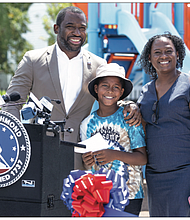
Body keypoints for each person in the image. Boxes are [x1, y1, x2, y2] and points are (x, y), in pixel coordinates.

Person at [2, 6, 140, 170]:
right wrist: (18, 142)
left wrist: (130, 106)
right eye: (70, 27)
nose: (77, 33)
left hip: (79, 157)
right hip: (38, 153)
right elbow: (11, 104)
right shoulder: (33, 60)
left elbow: (111, 96)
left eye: (82, 28)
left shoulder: (98, 65)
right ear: (56, 28)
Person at [80, 63, 147, 216]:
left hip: (130, 194)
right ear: (96, 89)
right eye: (105, 85)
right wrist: (87, 160)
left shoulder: (130, 118)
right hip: (98, 195)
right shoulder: (86, 124)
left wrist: (114, 155)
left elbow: (143, 158)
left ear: (122, 92)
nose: (110, 91)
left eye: (116, 87)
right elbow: (87, 163)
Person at [137, 32, 190, 217]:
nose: (163, 56)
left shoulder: (188, 84)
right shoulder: (146, 90)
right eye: (157, 52)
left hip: (184, 173)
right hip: (154, 174)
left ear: (178, 54)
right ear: (150, 58)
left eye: (169, 51)